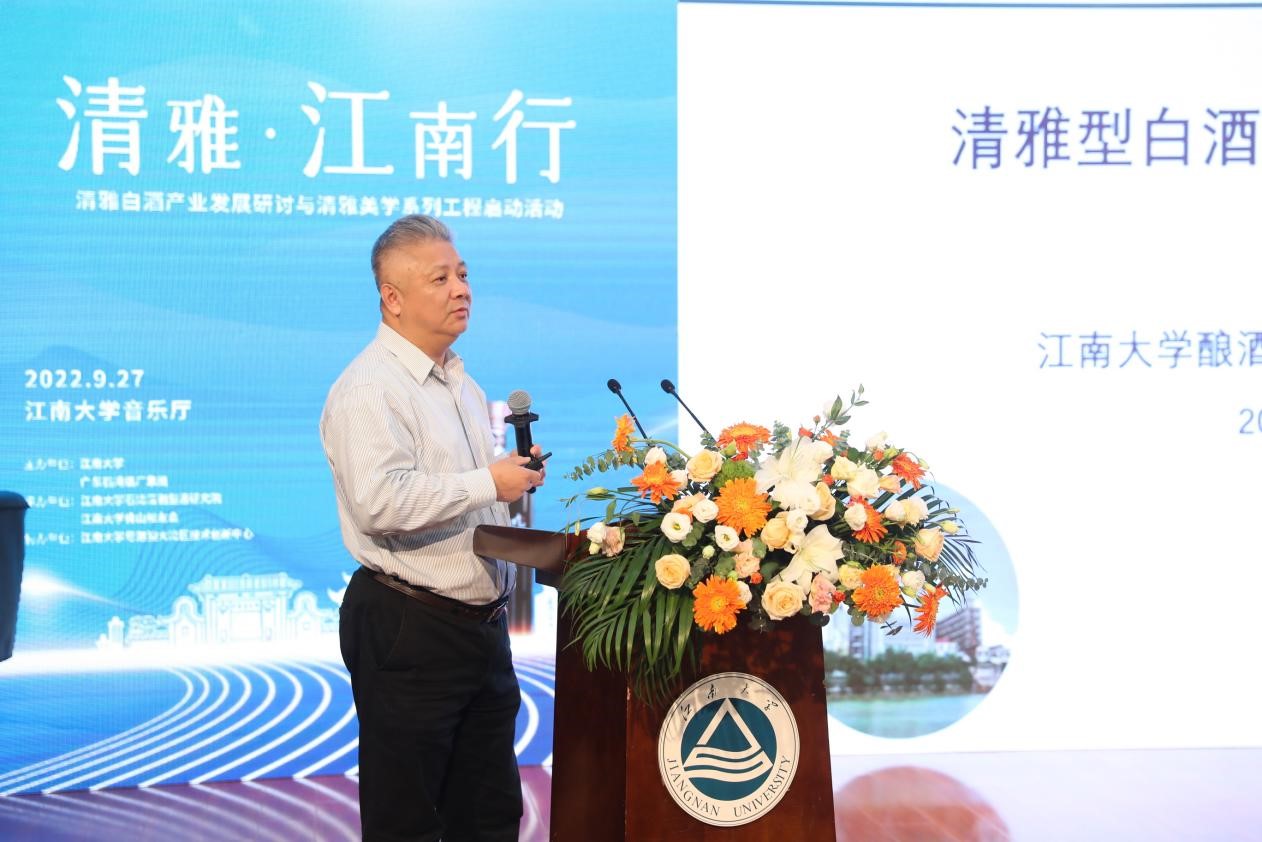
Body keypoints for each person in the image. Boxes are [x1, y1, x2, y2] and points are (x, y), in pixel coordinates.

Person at [320, 214, 544, 841]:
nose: (461, 289)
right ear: (392, 298)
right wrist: (488, 483)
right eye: (440, 278)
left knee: (490, 816)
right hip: (409, 625)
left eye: (463, 274)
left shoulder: (461, 384)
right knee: (409, 823)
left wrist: (510, 485)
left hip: (481, 630)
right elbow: (380, 502)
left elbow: (465, 498)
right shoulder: (370, 389)